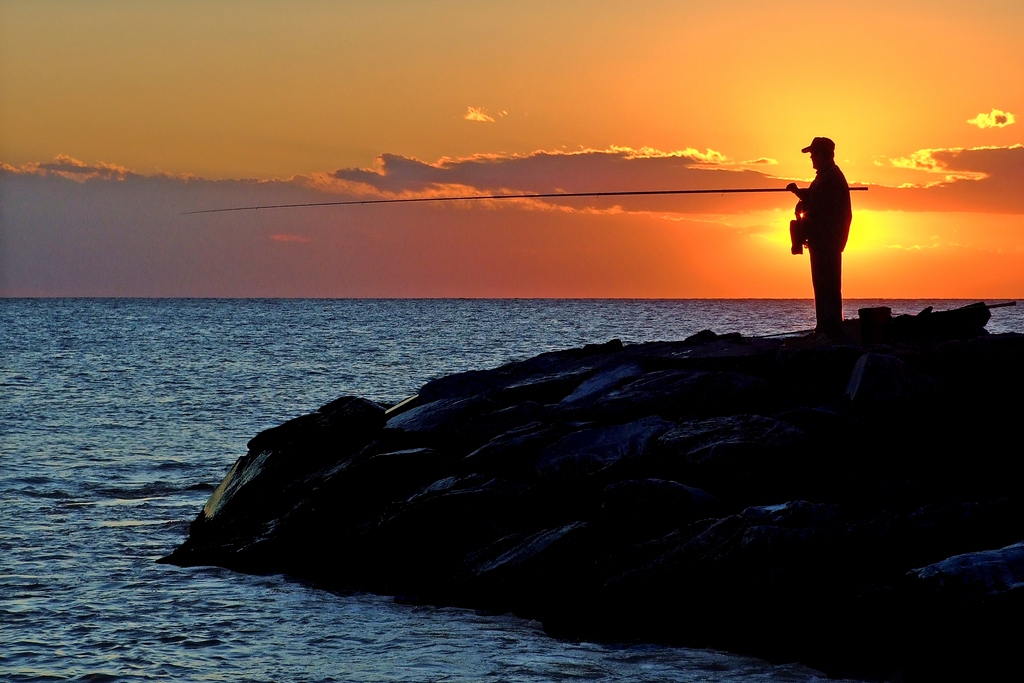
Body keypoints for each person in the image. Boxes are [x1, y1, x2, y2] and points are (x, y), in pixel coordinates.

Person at [786, 137, 852, 339]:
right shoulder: (824, 176)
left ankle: (829, 328)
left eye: (814, 154)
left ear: (824, 155)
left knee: (827, 284)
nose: (811, 158)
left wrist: (799, 194)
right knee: (823, 284)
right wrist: (800, 196)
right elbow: (816, 198)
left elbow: (820, 203)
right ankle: (825, 326)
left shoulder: (832, 177)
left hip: (827, 243)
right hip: (821, 242)